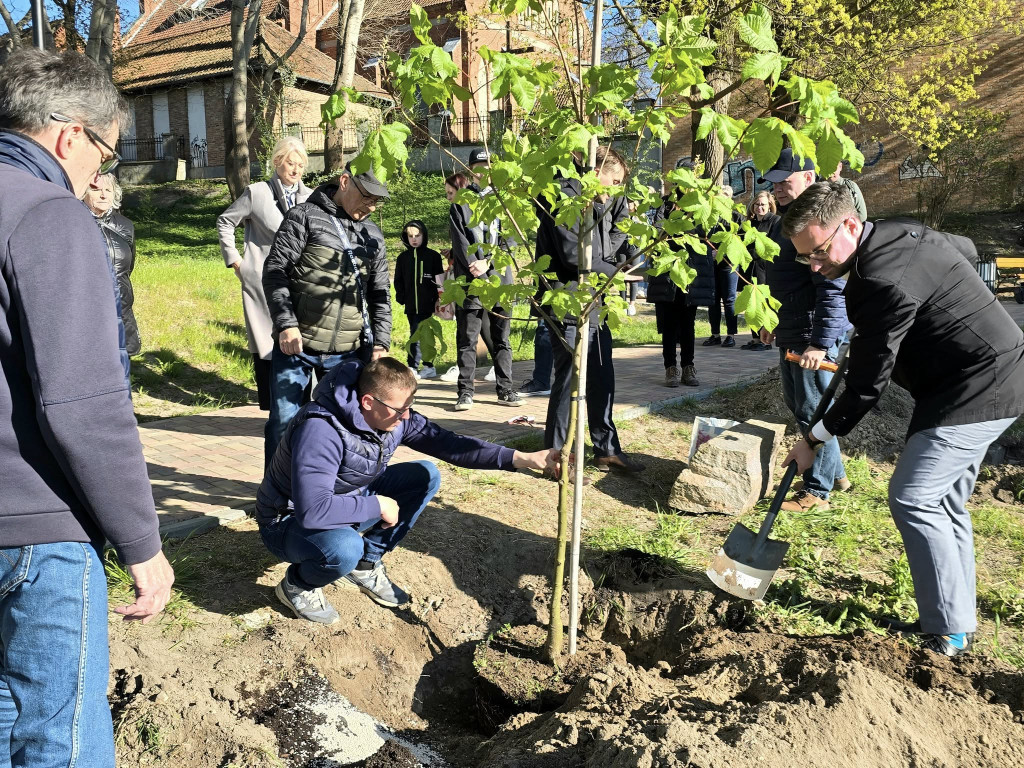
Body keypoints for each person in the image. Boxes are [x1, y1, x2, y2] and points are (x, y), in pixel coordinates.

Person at [0, 48, 174, 767]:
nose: (96, 176)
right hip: (36, 533)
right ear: (68, 135)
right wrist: (143, 544)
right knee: (55, 740)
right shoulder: (48, 215)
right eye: (101, 153)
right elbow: (84, 406)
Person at [781, 181, 1024, 657]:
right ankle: (957, 620)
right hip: (972, 377)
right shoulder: (896, 231)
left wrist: (815, 435)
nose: (814, 265)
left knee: (914, 498)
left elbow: (868, 386)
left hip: (980, 386)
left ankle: (947, 632)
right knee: (943, 502)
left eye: (820, 251)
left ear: (851, 225)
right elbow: (964, 247)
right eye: (804, 257)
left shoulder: (879, 282)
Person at [256, 357, 557, 622]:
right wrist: (378, 505)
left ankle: (365, 565)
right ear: (368, 402)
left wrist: (523, 459)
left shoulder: (395, 416)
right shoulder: (321, 430)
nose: (405, 417)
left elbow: (450, 444)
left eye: (409, 407)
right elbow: (313, 510)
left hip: (348, 497)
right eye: (399, 409)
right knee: (345, 547)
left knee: (425, 474)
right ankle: (297, 585)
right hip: (288, 520)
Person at [262, 164, 392, 467]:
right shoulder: (304, 217)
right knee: (284, 423)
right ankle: (276, 499)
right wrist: (286, 324)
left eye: (377, 201)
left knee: (345, 426)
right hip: (296, 346)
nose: (371, 206)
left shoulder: (372, 235)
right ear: (345, 182)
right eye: (366, 197)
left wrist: (381, 342)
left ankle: (329, 493)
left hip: (348, 352)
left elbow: (380, 293)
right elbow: (275, 272)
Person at [536, 146, 645, 473]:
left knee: (600, 375)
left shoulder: (603, 203)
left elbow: (619, 252)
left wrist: (625, 220)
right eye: (613, 180)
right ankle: (554, 457)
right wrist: (614, 269)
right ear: (596, 171)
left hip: (595, 300)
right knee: (570, 380)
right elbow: (577, 257)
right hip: (567, 301)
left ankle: (606, 449)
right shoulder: (564, 199)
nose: (615, 188)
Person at [757, 148, 850, 511]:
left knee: (813, 409)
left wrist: (820, 343)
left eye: (786, 180)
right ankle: (836, 474)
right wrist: (772, 323)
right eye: (774, 182)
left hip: (813, 335)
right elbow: (784, 284)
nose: (778, 188)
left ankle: (817, 491)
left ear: (809, 177)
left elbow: (833, 289)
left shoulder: (817, 224)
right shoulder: (785, 223)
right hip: (792, 331)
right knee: (799, 404)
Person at [218, 136, 312, 410]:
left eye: (301, 165)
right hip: (263, 279)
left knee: (300, 339)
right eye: (291, 163)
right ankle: (275, 409)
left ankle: (300, 403)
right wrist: (236, 261)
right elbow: (225, 221)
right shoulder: (257, 193)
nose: (295, 170)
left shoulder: (310, 197)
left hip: (301, 282)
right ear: (277, 162)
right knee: (268, 340)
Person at [447, 155, 520, 411]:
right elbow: (460, 243)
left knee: (502, 338)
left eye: (488, 169)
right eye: (478, 169)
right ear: (471, 171)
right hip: (470, 280)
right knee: (467, 338)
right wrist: (477, 267)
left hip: (500, 280)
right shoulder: (460, 203)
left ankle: (505, 389)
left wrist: (488, 262)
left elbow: (510, 239)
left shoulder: (504, 201)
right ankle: (465, 391)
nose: (483, 174)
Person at [649, 186, 716, 387]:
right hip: (668, 276)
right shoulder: (664, 208)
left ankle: (688, 367)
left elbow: (706, 235)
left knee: (688, 324)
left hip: (690, 277)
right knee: (669, 325)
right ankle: (670, 368)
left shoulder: (699, 212)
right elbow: (657, 232)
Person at [84, 171, 142, 357]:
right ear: (83, 192)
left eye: (108, 190)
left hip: (122, 307)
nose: (103, 195)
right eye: (96, 189)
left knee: (123, 361)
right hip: (88, 310)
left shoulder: (126, 225)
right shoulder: (74, 223)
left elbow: (128, 267)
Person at [394, 219, 443, 379]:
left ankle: (415, 366)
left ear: (424, 236)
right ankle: (426, 366)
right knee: (416, 332)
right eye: (410, 236)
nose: (414, 239)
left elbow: (439, 280)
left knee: (419, 333)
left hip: (427, 304)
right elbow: (398, 279)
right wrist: (401, 296)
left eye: (418, 235)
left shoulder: (433, 256)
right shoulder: (403, 258)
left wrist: (438, 299)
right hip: (410, 304)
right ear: (406, 238)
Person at [740, 190, 780, 351]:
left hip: (765, 268)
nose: (759, 208)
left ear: (770, 206)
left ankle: (765, 340)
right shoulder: (750, 223)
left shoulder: (775, 221)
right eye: (757, 204)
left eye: (763, 205)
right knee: (751, 304)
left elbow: (770, 246)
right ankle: (755, 337)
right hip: (749, 268)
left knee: (763, 303)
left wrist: (748, 253)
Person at [703, 186, 740, 348]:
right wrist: (709, 250)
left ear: (731, 198)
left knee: (729, 299)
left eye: (726, 196)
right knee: (713, 299)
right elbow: (702, 237)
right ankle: (715, 334)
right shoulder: (710, 217)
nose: (722, 198)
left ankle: (731, 335)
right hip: (712, 264)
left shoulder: (736, 217)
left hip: (729, 263)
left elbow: (740, 240)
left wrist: (722, 251)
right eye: (720, 196)